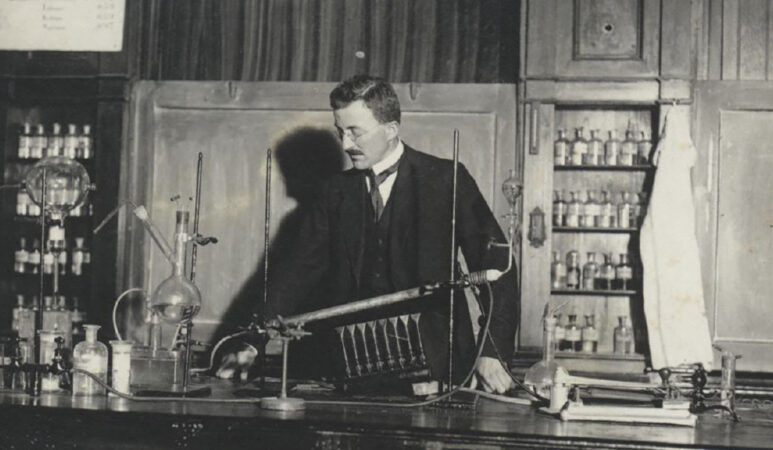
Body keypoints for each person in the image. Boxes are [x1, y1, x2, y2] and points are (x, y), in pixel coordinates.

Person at [220, 75, 519, 394]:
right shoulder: (333, 192)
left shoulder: (446, 180)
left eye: (355, 132)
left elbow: (499, 268)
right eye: (340, 132)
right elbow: (296, 272)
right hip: (355, 368)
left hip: (437, 370)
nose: (346, 144)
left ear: (390, 130)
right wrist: (252, 342)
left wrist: (492, 352)